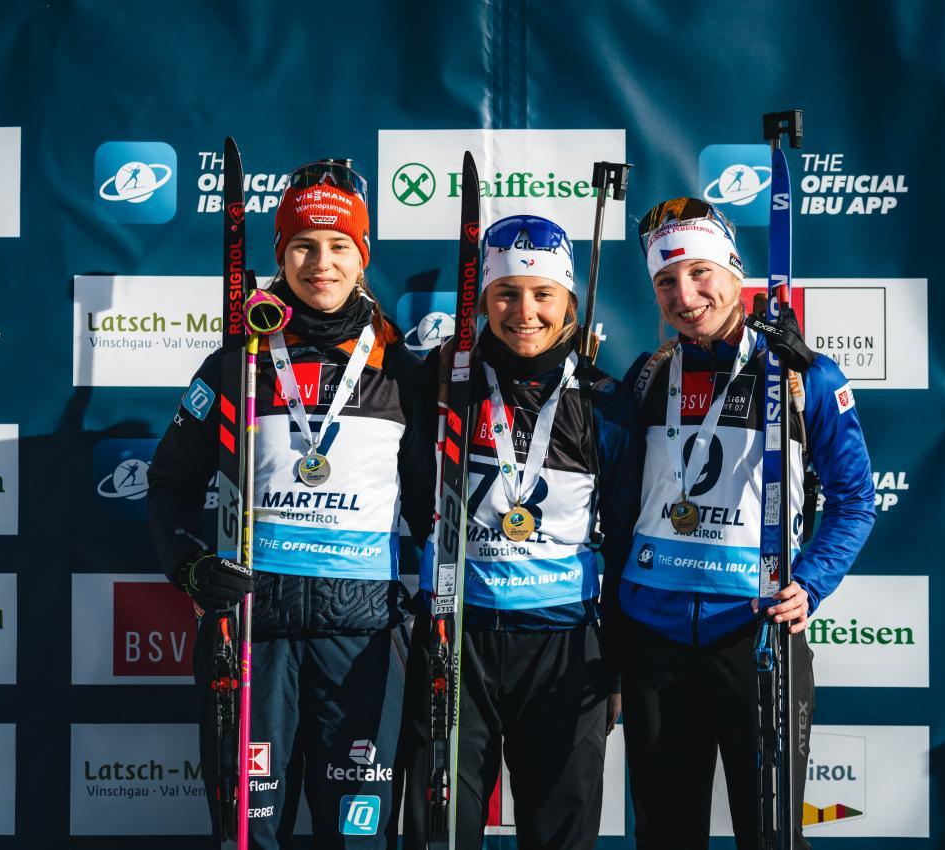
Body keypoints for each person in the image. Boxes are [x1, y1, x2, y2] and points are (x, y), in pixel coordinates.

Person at [147, 159, 431, 849]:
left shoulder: (401, 371)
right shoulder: (237, 362)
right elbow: (170, 484)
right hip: (252, 632)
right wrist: (190, 567)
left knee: (358, 838)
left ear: (362, 256)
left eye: (338, 246)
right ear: (281, 255)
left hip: (361, 641)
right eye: (303, 246)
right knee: (249, 834)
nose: (320, 264)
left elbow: (434, 508)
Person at [615, 198, 876, 849]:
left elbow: (853, 499)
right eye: (666, 281)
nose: (685, 295)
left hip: (753, 632)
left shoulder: (802, 374)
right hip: (655, 636)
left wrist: (810, 583)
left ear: (735, 273)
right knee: (664, 835)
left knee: (770, 834)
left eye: (699, 273)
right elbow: (613, 501)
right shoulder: (648, 375)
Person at [400, 215, 640, 850]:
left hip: (564, 648)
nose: (524, 312)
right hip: (456, 638)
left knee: (561, 835)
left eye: (542, 294)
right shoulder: (439, 384)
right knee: (439, 835)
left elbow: (623, 541)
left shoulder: (604, 402)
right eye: (506, 293)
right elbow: (413, 498)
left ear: (569, 303)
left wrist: (616, 668)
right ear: (482, 300)